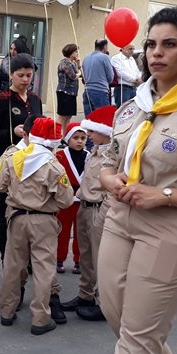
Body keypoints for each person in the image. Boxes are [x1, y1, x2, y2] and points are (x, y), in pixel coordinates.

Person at [94, 7, 177, 354]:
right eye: (151, 45)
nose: (156, 53)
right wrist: (108, 178)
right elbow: (107, 157)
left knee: (138, 336)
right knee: (119, 317)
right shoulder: (135, 105)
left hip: (174, 230)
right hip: (121, 220)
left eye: (169, 44)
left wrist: (165, 194)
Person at [0, 117, 74, 335]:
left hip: (17, 217)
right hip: (44, 221)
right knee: (43, 269)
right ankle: (40, 318)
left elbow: (1, 186)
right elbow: (66, 200)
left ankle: (7, 311)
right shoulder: (53, 166)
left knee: (13, 266)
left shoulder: (14, 158)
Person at [0, 53, 42, 260]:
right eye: (21, 75)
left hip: (32, 163)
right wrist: (12, 132)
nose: (26, 80)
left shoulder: (35, 99)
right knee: (6, 211)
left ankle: (25, 257)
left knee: (28, 213)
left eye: (29, 75)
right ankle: (6, 258)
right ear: (11, 75)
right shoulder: (1, 99)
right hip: (6, 163)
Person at [60, 106, 115, 321]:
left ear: (105, 131)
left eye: (91, 131)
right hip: (85, 207)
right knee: (85, 256)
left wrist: (106, 210)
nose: (88, 136)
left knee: (101, 259)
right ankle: (85, 295)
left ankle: (105, 303)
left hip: (99, 209)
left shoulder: (113, 155)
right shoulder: (95, 152)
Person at [55, 122, 88, 274]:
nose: (80, 141)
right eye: (76, 137)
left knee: (80, 233)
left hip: (82, 200)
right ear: (68, 139)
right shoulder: (59, 155)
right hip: (65, 201)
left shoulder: (88, 156)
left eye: (83, 137)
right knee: (62, 231)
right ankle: (59, 258)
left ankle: (79, 260)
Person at [81, 38, 114, 117]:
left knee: (89, 121)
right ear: (105, 46)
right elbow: (110, 77)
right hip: (100, 91)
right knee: (104, 119)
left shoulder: (86, 58)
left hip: (87, 91)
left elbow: (84, 76)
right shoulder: (105, 57)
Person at [56, 43, 81, 134]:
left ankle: (65, 136)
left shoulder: (73, 63)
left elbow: (81, 74)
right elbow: (73, 76)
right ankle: (57, 134)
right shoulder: (65, 62)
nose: (77, 53)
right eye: (75, 51)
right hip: (64, 92)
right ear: (70, 53)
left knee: (68, 116)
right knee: (62, 116)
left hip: (72, 93)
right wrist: (78, 74)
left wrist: (78, 65)